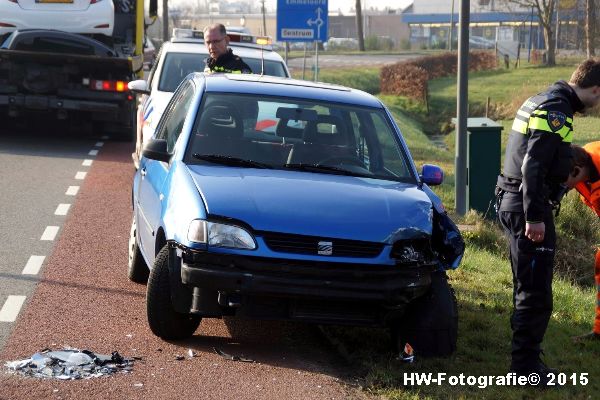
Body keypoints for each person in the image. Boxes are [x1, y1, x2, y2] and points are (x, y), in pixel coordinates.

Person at [495, 58, 600, 382]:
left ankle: (524, 362)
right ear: (595, 88)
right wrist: (536, 217)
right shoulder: (557, 109)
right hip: (528, 206)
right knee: (536, 294)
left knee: (527, 287)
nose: (598, 104)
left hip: (513, 200)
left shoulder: (542, 99)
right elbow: (532, 166)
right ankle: (525, 369)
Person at [564, 143, 600, 342]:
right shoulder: (581, 165)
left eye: (563, 179)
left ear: (576, 171)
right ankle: (599, 331)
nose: (561, 185)